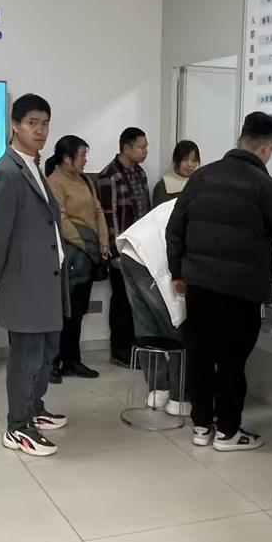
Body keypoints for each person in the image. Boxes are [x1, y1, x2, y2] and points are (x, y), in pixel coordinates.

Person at [167, 112, 272, 451]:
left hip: (199, 286)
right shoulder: (268, 188)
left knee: (199, 356)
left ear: (240, 140)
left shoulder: (202, 177)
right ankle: (228, 432)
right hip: (241, 292)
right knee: (231, 362)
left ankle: (201, 427)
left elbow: (174, 228)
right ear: (267, 149)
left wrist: (178, 273)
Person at [0, 93, 69, 456]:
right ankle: (17, 427)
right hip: (25, 281)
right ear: (15, 125)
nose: (40, 130)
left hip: (48, 277)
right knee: (26, 356)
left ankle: (34, 407)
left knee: (47, 351)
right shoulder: (7, 171)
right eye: (32, 123)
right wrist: (6, 277)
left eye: (45, 123)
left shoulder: (33, 165)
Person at [45, 134, 111, 381]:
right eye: (82, 155)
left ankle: (72, 360)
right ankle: (52, 362)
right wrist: (84, 245)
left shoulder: (84, 180)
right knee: (62, 311)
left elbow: (97, 211)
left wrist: (103, 241)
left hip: (89, 254)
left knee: (78, 310)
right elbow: (60, 219)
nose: (85, 160)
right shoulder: (54, 181)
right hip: (70, 255)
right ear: (66, 158)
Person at [116, 198, 188, 413]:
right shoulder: (201, 207)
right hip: (148, 257)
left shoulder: (187, 199)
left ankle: (158, 390)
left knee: (147, 326)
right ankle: (179, 398)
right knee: (177, 328)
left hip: (131, 252)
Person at [97, 126, 151, 366]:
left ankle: (136, 348)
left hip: (141, 249)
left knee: (138, 301)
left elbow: (146, 211)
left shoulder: (140, 174)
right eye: (141, 147)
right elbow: (108, 217)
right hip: (121, 249)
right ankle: (120, 351)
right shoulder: (109, 175)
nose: (145, 151)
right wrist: (115, 252)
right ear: (126, 148)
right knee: (121, 300)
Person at [152, 139, 200, 207]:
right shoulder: (163, 187)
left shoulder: (200, 182)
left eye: (194, 160)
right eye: (185, 160)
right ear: (176, 160)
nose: (190, 164)